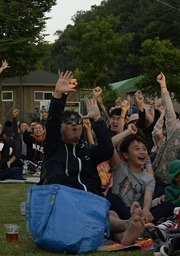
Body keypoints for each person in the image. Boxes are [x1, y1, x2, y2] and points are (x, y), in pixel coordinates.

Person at [42, 71, 153, 244]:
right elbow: (52, 121)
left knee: (110, 213)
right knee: (98, 213)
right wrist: (58, 97)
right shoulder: (54, 148)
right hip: (66, 205)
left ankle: (124, 236)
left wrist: (98, 119)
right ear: (60, 128)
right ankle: (126, 224)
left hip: (92, 202)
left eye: (78, 122)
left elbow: (107, 150)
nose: (75, 125)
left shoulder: (87, 150)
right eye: (69, 122)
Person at [107, 131, 174, 222]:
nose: (142, 152)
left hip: (139, 211)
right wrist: (128, 131)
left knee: (169, 205)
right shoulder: (119, 166)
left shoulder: (149, 178)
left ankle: (140, 222)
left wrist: (146, 211)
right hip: (122, 210)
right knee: (112, 198)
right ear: (126, 155)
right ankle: (139, 223)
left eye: (144, 149)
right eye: (137, 149)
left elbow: (148, 197)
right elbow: (109, 143)